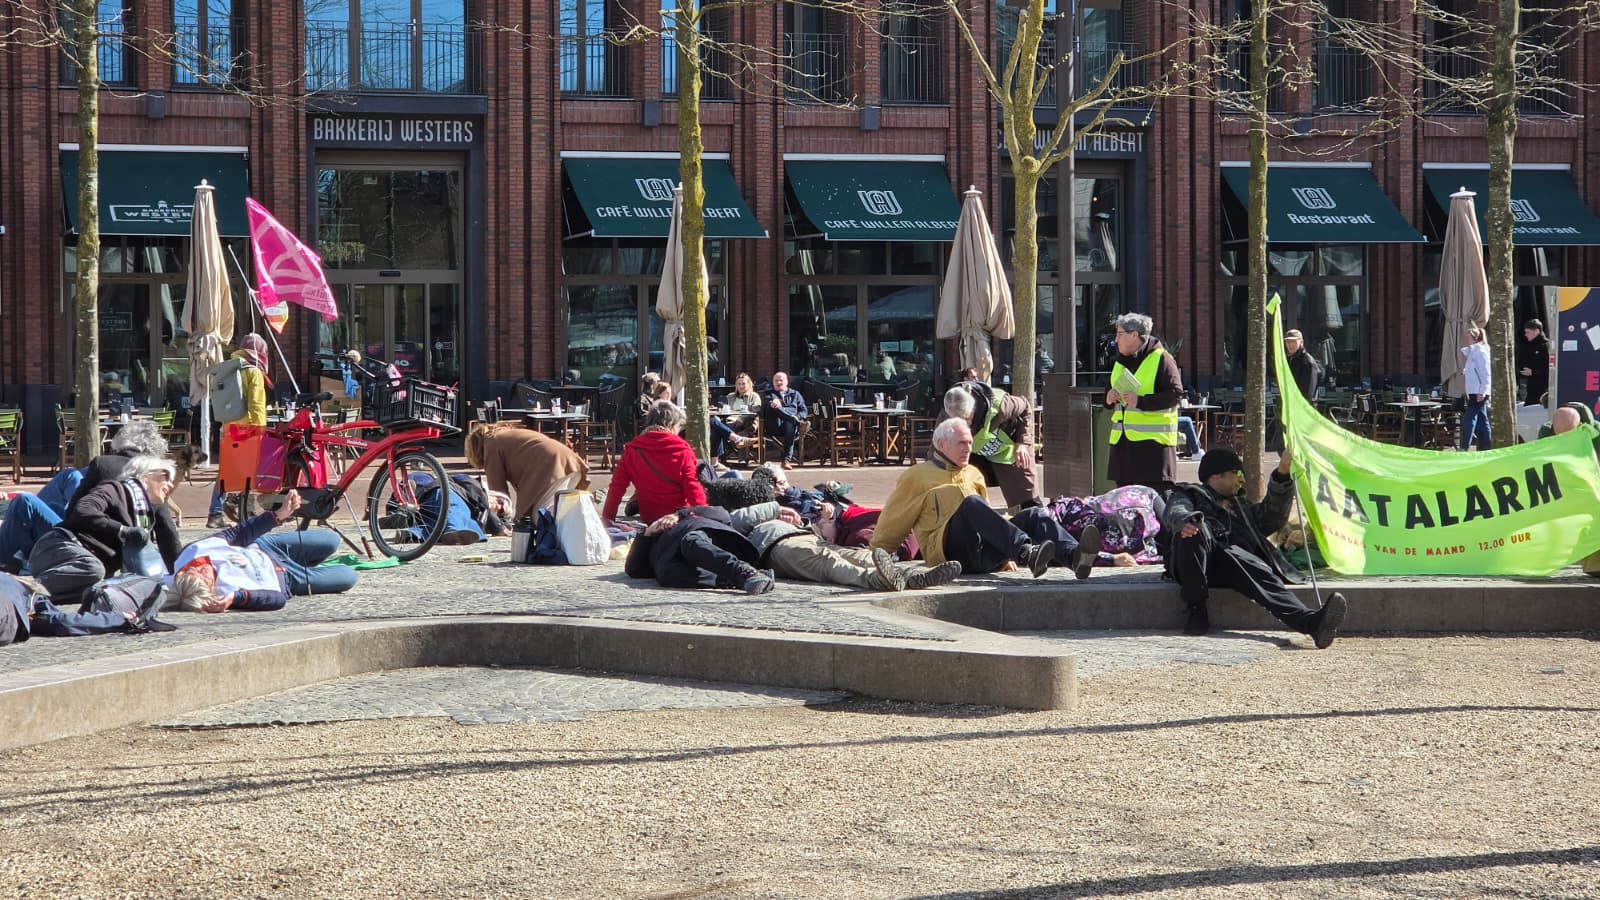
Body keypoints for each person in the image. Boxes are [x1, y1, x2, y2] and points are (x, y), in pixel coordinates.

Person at [1162, 447, 1346, 647]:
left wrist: (1283, 473)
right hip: (1192, 563)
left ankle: (1310, 623)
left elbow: (1271, 518)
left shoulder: (1240, 506)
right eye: (1237, 473)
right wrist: (1186, 521)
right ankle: (1196, 609)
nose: (1242, 480)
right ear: (1216, 475)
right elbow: (1176, 510)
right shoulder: (1189, 493)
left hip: (1232, 565)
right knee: (1196, 528)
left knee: (1256, 568)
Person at [870, 419, 1054, 578]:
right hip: (948, 554)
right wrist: (877, 554)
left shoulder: (974, 473)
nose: (968, 449)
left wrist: (1003, 556)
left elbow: (989, 520)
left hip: (979, 552)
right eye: (961, 443)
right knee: (971, 503)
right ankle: (1024, 552)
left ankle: (1069, 556)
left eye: (970, 443)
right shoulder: (916, 476)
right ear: (941, 444)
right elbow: (894, 519)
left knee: (1034, 515)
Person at [170, 490, 357, 612]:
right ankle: (308, 566)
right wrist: (238, 598)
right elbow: (277, 599)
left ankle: (308, 558)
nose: (203, 570)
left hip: (265, 547)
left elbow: (237, 534)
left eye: (195, 570)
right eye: (207, 579)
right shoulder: (223, 594)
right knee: (348, 576)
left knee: (331, 540)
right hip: (284, 576)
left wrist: (279, 514)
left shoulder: (192, 554)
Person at [31, 456, 182, 604]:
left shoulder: (145, 513)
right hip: (58, 548)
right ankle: (27, 589)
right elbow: (83, 509)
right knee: (93, 569)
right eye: (166, 476)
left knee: (100, 591)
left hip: (87, 566)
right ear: (147, 475)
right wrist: (122, 530)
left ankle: (39, 600)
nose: (170, 483)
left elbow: (165, 542)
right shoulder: (115, 489)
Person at [736, 501, 961, 592]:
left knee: (857, 555)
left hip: (806, 535)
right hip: (774, 547)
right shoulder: (743, 526)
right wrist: (774, 508)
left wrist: (803, 522)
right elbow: (736, 519)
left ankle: (913, 575)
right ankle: (876, 579)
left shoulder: (791, 519)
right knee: (826, 561)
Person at [1105, 313, 1183, 493]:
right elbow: (1108, 395)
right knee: (1124, 502)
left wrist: (1140, 401)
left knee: (1155, 503)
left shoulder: (1162, 358)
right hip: (1123, 451)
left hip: (1153, 452)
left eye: (1120, 334)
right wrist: (1108, 398)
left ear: (1134, 335)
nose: (1116, 340)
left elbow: (1176, 395)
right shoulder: (1120, 361)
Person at [625, 506, 775, 595]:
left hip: (707, 536)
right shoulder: (651, 543)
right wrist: (647, 533)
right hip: (675, 562)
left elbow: (722, 513)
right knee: (669, 576)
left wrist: (679, 514)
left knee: (691, 543)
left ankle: (743, 571)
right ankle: (747, 577)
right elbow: (634, 570)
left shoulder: (688, 517)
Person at [603, 400, 708, 525]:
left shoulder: (632, 450)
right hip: (678, 518)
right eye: (678, 427)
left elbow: (617, 487)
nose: (678, 432)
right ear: (671, 424)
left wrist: (607, 519)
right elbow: (692, 487)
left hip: (650, 518)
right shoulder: (682, 450)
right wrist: (704, 517)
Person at [939, 380, 1039, 508]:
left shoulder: (1001, 405)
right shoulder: (948, 413)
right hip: (978, 454)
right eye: (958, 421)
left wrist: (1022, 442)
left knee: (1028, 497)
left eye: (967, 418)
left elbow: (1025, 407)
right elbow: (937, 446)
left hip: (1011, 448)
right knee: (960, 490)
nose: (964, 425)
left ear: (973, 408)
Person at [465, 421, 590, 522]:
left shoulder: (491, 445)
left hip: (551, 467)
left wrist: (499, 520)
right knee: (562, 509)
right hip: (570, 462)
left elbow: (498, 493)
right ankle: (586, 511)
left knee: (539, 519)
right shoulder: (505, 434)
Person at [208, 333, 270, 528]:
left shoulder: (229, 368)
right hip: (248, 428)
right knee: (250, 471)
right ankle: (245, 510)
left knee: (226, 471)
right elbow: (256, 404)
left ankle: (216, 513)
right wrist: (261, 429)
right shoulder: (253, 371)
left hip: (228, 426)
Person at [762, 371, 808, 469]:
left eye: (781, 380)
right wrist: (791, 413)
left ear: (787, 382)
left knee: (789, 424)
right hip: (774, 426)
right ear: (773, 382)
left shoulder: (795, 394)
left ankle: (786, 461)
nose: (778, 383)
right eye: (776, 381)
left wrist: (797, 416)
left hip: (790, 428)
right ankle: (793, 419)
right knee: (773, 406)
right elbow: (767, 407)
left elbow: (804, 411)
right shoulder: (768, 394)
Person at [1460, 326, 1493, 451]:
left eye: (1468, 338)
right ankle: (1486, 446)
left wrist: (1483, 391)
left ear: (1475, 338)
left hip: (1478, 391)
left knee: (1469, 418)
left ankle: (1464, 446)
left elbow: (1485, 373)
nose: (1466, 340)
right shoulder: (1472, 353)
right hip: (1474, 391)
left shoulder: (1480, 352)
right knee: (1482, 420)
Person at [1282, 329, 1323, 401]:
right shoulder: (1288, 359)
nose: (1290, 345)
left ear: (1301, 342)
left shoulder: (1307, 362)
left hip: (1302, 404)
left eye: (1294, 341)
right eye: (1288, 342)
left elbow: (1308, 393)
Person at [1518, 318, 1550, 406]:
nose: (1525, 335)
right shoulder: (1530, 345)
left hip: (1542, 390)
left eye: (1528, 332)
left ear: (1536, 331)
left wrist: (1533, 372)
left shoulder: (1546, 346)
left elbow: (1550, 369)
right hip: (1532, 388)